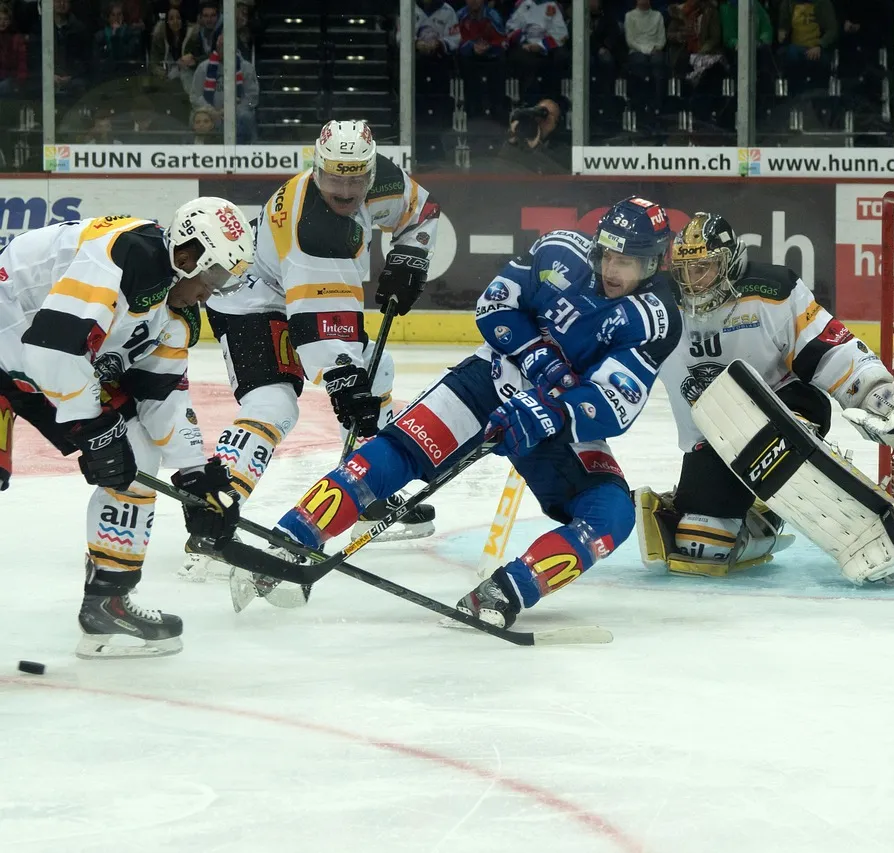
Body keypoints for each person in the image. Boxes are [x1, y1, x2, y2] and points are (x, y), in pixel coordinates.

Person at [260, 197, 682, 628]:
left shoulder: (654, 318)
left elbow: (615, 403)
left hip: (555, 420)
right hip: (489, 380)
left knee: (611, 514)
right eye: (608, 255)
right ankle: (291, 537)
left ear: (653, 263)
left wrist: (549, 410)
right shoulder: (559, 250)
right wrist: (536, 356)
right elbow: (494, 306)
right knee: (397, 452)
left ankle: (506, 591)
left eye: (627, 262)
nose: (612, 270)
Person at [185, 119, 441, 584]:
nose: (344, 190)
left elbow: (422, 214)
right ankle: (211, 507)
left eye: (354, 178)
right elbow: (317, 321)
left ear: (371, 169)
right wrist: (344, 380)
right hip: (250, 299)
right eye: (333, 178)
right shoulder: (312, 226)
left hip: (302, 296)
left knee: (378, 367)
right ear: (316, 167)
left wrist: (410, 257)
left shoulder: (384, 180)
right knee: (275, 403)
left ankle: (366, 490)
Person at [0, 198, 251, 658]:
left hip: (33, 367)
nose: (210, 293)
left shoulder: (175, 310)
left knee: (136, 454)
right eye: (212, 278)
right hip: (14, 354)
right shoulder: (122, 253)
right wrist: (93, 427)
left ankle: (107, 602)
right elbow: (51, 350)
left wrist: (195, 474)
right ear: (188, 256)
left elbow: (162, 393)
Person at [635, 212, 894, 586]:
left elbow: (832, 352)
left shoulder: (773, 291)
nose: (693, 282)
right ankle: (760, 514)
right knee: (701, 545)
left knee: (777, 436)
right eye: (685, 270)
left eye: (705, 268)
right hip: (715, 438)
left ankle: (842, 512)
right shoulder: (658, 308)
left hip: (788, 407)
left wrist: (890, 405)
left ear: (730, 262)